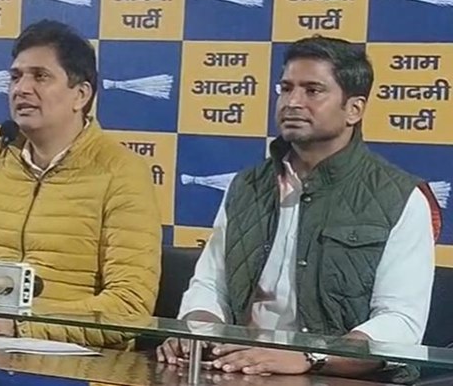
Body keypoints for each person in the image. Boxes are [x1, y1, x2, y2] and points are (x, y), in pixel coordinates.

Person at [157, 36, 441, 384]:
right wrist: (197, 335)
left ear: (354, 109)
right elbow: (210, 285)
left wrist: (311, 357)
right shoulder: (247, 185)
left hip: (340, 378)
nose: (292, 102)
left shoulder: (401, 197)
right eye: (286, 88)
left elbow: (400, 322)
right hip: (238, 371)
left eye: (313, 90)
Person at [0, 19, 162, 348]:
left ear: (81, 95)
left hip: (78, 361)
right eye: (16, 77)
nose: (21, 89)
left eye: (40, 76)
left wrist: (22, 326)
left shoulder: (121, 172)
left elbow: (129, 307)